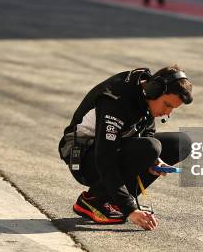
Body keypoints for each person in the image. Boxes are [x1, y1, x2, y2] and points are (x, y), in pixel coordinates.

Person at [58, 66, 193, 231]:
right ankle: (95, 199)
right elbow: (104, 156)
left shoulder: (145, 94)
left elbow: (147, 132)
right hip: (84, 158)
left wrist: (155, 162)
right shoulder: (115, 99)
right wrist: (129, 209)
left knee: (180, 143)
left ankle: (114, 200)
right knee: (151, 148)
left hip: (113, 148)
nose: (167, 113)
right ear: (154, 89)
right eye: (167, 105)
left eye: (173, 109)